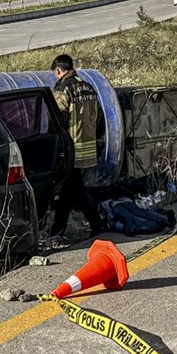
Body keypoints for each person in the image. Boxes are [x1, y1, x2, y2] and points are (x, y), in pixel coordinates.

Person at [49, 54, 104, 239]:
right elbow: (100, 118)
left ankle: (95, 227)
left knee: (75, 190)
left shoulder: (63, 89)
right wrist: (99, 142)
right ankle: (58, 231)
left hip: (71, 148)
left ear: (58, 71)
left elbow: (58, 120)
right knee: (71, 190)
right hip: (88, 148)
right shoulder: (88, 87)